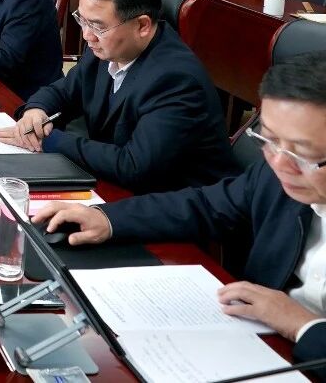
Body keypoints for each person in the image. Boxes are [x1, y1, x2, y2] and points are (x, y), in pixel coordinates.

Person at [33, 52, 326, 372]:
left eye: (302, 152)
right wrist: (107, 218)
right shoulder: (275, 175)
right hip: (253, 345)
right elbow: (205, 205)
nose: (279, 163)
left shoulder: (174, 75)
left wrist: (303, 325)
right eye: (268, 140)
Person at [0, 0, 240, 193]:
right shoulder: (107, 47)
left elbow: (134, 165)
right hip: (117, 183)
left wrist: (50, 139)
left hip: (178, 205)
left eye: (98, 26)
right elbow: (64, 91)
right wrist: (36, 110)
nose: (87, 35)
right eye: (82, 20)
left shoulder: (176, 80)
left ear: (142, 25)